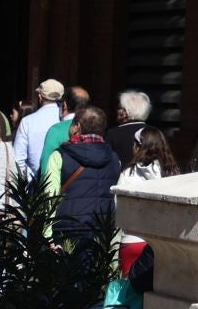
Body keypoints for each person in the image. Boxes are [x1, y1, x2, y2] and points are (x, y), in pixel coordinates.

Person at [53, 106, 122, 243]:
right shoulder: (114, 158)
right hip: (102, 229)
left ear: (77, 126)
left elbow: (49, 196)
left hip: (67, 229)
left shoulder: (60, 156)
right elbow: (117, 199)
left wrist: (46, 235)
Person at [38, 85, 91, 194]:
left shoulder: (56, 130)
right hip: (89, 194)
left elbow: (46, 168)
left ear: (65, 105)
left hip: (62, 198)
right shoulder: (93, 127)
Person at [14, 77, 65, 176]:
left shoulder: (27, 121)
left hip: (35, 183)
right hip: (63, 182)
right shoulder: (68, 120)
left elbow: (18, 158)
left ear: (40, 97)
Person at [110, 91, 151, 168]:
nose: (117, 111)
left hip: (122, 177)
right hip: (150, 178)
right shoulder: (154, 132)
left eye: (119, 108)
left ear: (126, 112)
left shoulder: (113, 133)